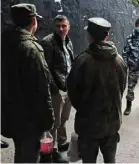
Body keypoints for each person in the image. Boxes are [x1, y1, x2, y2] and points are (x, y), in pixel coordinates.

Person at [67, 17, 127, 163]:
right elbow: (121, 88)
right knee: (110, 160)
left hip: (88, 125)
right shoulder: (119, 61)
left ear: (89, 36)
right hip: (112, 123)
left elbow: (72, 92)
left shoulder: (82, 61)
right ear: (107, 36)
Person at [1, 3, 54, 163]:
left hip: (11, 113)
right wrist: (48, 120)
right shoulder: (31, 49)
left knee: (20, 152)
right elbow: (42, 89)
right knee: (30, 156)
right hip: (30, 120)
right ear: (33, 22)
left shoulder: (5, 42)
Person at [40, 14, 74, 163]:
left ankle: (62, 142)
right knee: (54, 122)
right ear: (54, 27)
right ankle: (51, 151)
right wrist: (54, 89)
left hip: (68, 87)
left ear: (68, 27)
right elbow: (45, 69)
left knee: (64, 118)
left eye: (64, 26)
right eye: (58, 26)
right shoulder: (48, 42)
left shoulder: (68, 41)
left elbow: (70, 62)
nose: (61, 29)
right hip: (56, 89)